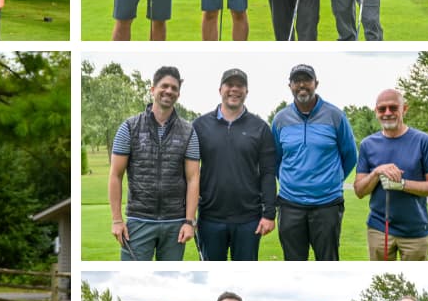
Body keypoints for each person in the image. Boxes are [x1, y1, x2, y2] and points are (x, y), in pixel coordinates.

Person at [108, 66, 201, 261]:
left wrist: (189, 222)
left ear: (178, 94)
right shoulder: (129, 127)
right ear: (152, 89)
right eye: (164, 86)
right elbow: (115, 175)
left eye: (174, 88)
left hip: (175, 223)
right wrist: (117, 220)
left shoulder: (188, 131)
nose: (169, 91)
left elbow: (193, 178)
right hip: (139, 221)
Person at [271, 64, 357, 260]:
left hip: (327, 204)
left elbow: (350, 155)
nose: (302, 85)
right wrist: (291, 181)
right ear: (290, 86)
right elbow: (275, 158)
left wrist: (329, 180)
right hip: (290, 204)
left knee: (328, 261)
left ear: (316, 83)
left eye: (307, 80)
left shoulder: (335, 116)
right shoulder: (280, 119)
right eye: (296, 81)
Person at [192, 68, 277, 260]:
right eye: (230, 85)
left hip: (248, 219)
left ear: (247, 92)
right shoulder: (199, 126)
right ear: (220, 89)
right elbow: (190, 174)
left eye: (240, 86)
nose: (234, 90)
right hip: (210, 218)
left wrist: (269, 214)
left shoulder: (260, 128)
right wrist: (188, 214)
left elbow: (268, 173)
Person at [354, 90, 428, 260]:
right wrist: (377, 173)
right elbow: (359, 191)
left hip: (415, 230)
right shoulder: (367, 144)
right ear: (376, 112)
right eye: (382, 109)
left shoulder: (423, 141)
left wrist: (401, 184)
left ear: (404, 109)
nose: (387, 113)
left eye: (393, 108)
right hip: (379, 229)